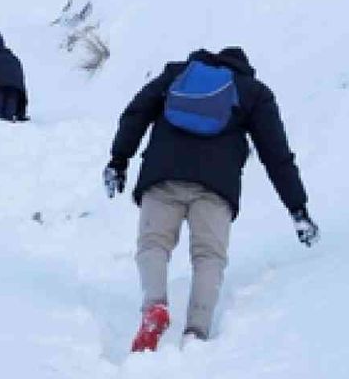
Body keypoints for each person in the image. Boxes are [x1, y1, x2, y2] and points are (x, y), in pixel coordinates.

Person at [104, 46, 318, 353]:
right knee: (208, 257)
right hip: (216, 187)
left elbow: (136, 112)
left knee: (153, 245)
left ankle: (155, 308)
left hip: (162, 174)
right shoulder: (254, 92)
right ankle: (196, 333)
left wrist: (118, 160)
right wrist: (297, 208)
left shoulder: (177, 74)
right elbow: (277, 155)